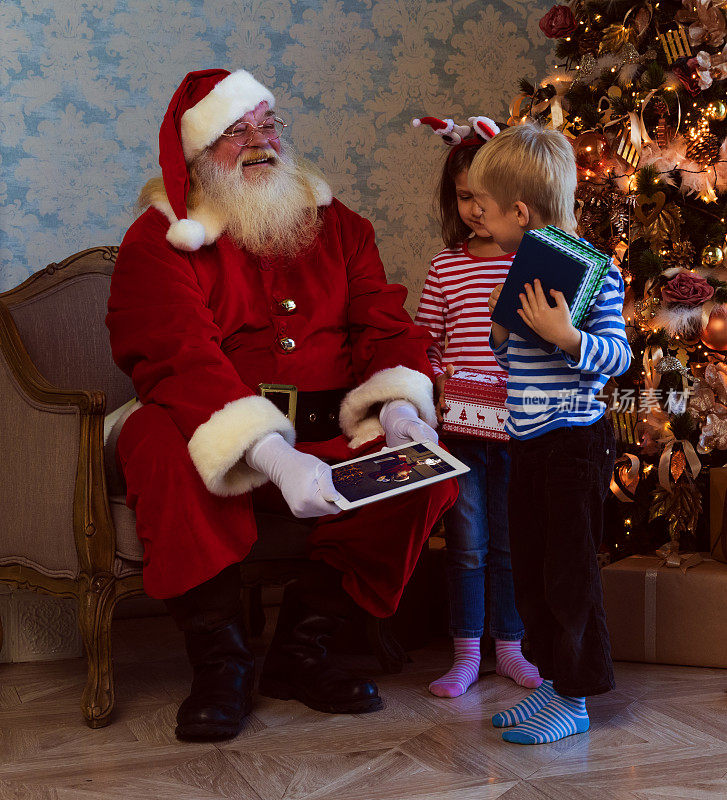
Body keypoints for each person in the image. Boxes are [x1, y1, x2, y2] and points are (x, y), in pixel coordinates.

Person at [105, 68, 458, 742]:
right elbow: (179, 358)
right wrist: (271, 453)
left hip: (330, 435)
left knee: (424, 470)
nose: (260, 141)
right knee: (153, 437)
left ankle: (305, 648)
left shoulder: (340, 226)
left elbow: (382, 326)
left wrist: (401, 411)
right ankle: (220, 664)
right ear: (197, 154)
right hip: (217, 436)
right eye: (236, 132)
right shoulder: (159, 241)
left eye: (267, 125)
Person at [469, 121, 631, 744]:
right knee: (531, 568)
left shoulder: (599, 275)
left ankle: (577, 699)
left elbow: (615, 356)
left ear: (520, 211)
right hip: (527, 441)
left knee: (569, 576)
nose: (478, 216)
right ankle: (552, 687)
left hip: (573, 448)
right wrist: (501, 335)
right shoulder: (519, 271)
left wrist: (568, 337)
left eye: (484, 207)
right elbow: (513, 367)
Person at [413, 115, 542, 699]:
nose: (472, 209)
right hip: (460, 430)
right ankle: (466, 653)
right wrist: (439, 381)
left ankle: (510, 649)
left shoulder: (529, 262)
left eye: (482, 197)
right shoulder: (447, 265)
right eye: (463, 196)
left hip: (519, 427)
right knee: (467, 546)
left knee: (511, 542)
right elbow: (425, 343)